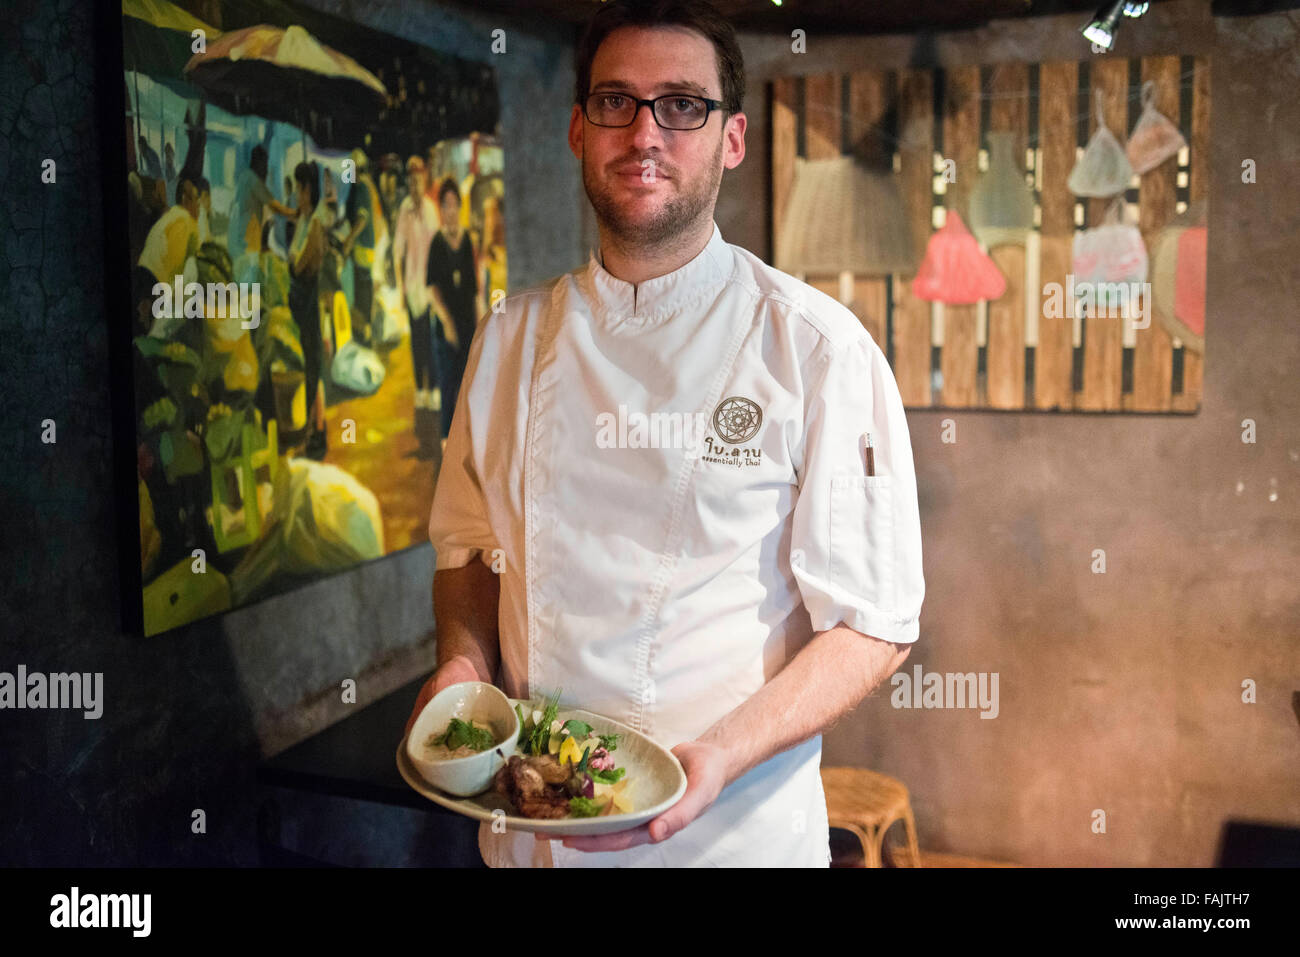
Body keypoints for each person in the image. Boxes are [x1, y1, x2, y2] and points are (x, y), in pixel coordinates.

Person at [407, 0, 925, 868]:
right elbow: (463, 552)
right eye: (616, 102)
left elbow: (874, 624)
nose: (645, 132)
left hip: (727, 838)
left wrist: (719, 755)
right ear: (579, 129)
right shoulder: (508, 338)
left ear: (732, 138)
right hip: (531, 832)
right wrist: (464, 668)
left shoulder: (815, 350)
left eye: (682, 104)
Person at [425, 176, 478, 443]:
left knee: (469, 381)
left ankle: (467, 439)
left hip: (468, 322)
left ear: (460, 207)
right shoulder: (437, 243)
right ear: (441, 210)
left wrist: (482, 324)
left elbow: (474, 288)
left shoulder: (468, 240)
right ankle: (447, 440)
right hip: (446, 326)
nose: (451, 210)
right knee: (448, 384)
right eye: (445, 205)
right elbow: (431, 288)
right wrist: (446, 323)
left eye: (454, 204)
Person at [393, 155, 439, 430]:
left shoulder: (432, 210)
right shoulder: (404, 209)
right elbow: (398, 251)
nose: (414, 185)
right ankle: (420, 390)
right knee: (417, 342)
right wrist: (401, 289)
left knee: (431, 339)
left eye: (418, 180)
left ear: (424, 181)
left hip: (429, 287)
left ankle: (432, 388)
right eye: (410, 181)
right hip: (412, 287)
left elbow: (437, 252)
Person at [288, 161, 329, 460]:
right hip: (302, 303)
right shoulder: (304, 219)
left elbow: (306, 263)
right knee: (310, 368)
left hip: (311, 304)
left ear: (308, 189)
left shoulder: (315, 222)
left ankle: (316, 434)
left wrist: (291, 267)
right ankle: (317, 430)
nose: (298, 195)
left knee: (312, 368)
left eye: (301, 188)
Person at [134, 176, 200, 333]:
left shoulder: (168, 217)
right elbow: (186, 265)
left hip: (140, 278)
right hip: (154, 286)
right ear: (185, 199)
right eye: (196, 199)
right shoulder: (187, 221)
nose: (198, 205)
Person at [227, 144, 296, 267]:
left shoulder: (244, 177)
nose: (266, 168)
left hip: (239, 237)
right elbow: (275, 206)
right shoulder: (253, 180)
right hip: (247, 238)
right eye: (265, 163)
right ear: (260, 163)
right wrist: (296, 213)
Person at [341, 148, 378, 346]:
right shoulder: (355, 188)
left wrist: (349, 239)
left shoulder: (361, 187)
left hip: (363, 249)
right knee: (360, 292)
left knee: (363, 295)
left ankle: (365, 337)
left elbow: (362, 219)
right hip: (361, 250)